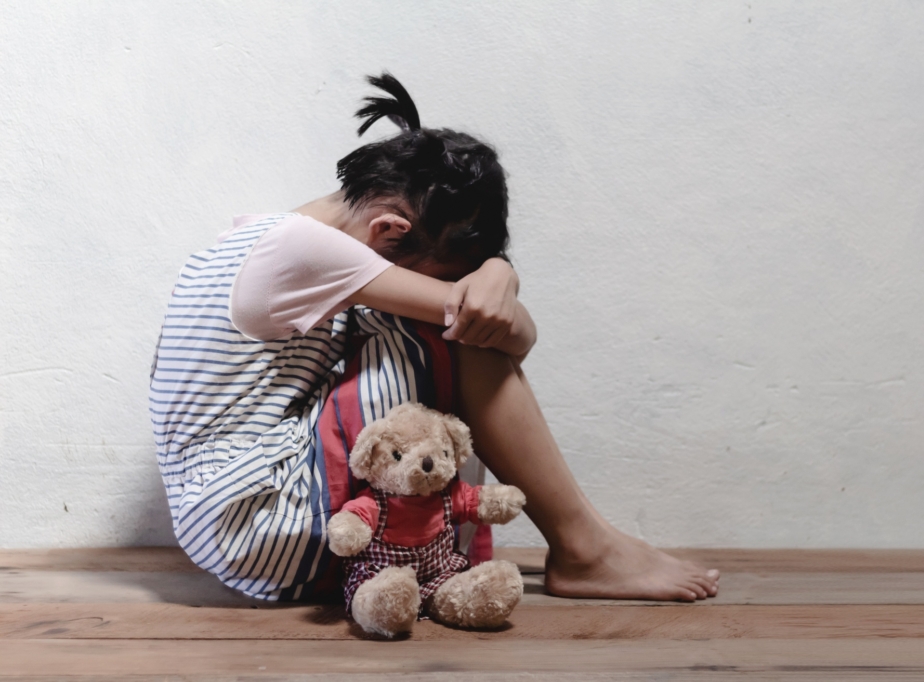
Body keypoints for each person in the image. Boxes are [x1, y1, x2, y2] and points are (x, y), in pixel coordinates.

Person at [149, 73, 719, 603]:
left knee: (416, 326)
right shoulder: (306, 252)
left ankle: (577, 545)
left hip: (231, 524)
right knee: (447, 332)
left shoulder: (266, 236)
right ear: (389, 231)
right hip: (262, 522)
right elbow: (504, 334)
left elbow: (503, 331)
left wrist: (498, 272)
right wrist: (499, 276)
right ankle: (584, 547)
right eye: (444, 274)